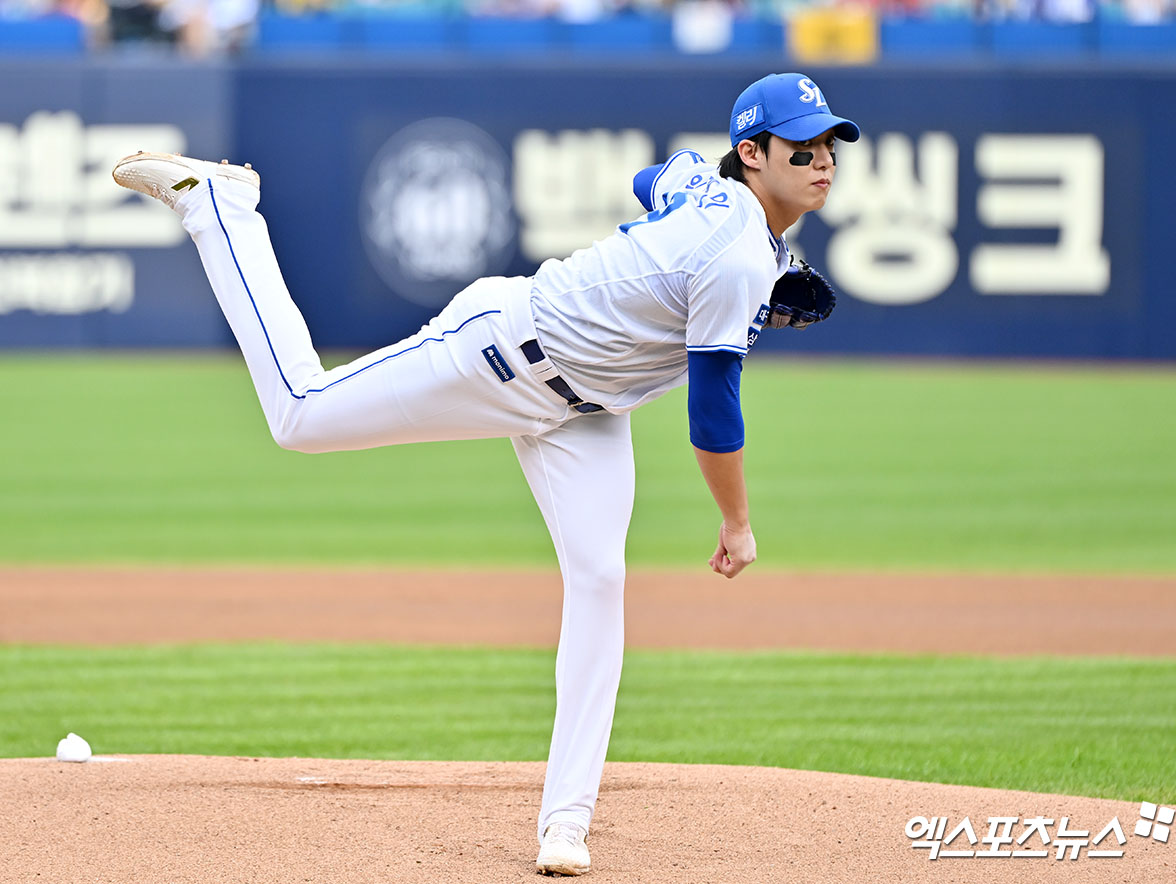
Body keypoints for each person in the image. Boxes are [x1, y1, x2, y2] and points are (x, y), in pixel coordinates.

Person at [111, 71, 859, 877]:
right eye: (802, 146)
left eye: (828, 146)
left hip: (588, 416)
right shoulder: (738, 259)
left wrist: (690, 251)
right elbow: (713, 416)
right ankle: (220, 211)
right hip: (498, 353)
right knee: (300, 414)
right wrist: (737, 523)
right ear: (752, 153)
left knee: (602, 579)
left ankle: (565, 826)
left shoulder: (709, 198)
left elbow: (657, 179)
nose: (822, 161)